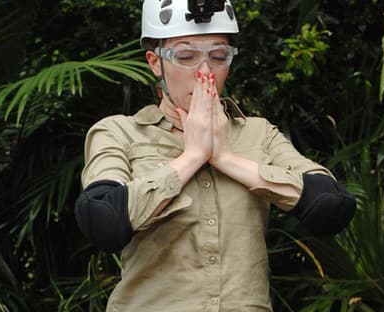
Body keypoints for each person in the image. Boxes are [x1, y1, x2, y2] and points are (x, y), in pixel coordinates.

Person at [75, 0, 356, 311]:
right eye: (185, 56)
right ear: (155, 63)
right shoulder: (120, 132)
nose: (205, 72)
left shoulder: (258, 133)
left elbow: (332, 207)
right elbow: (101, 222)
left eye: (219, 56)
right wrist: (192, 156)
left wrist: (225, 159)